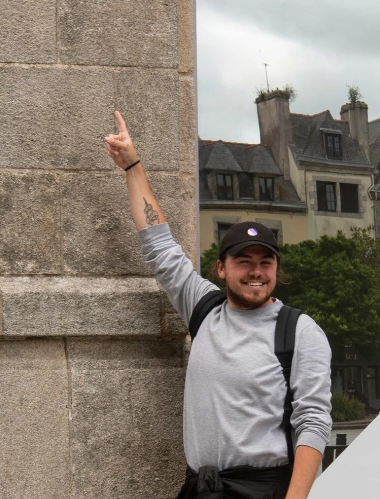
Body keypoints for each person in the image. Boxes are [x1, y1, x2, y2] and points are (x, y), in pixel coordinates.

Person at [105, 111, 332, 499]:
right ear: (221, 268)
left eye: (266, 262)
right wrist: (132, 166)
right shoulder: (204, 308)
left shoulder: (299, 331)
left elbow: (312, 422)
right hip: (201, 489)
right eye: (244, 261)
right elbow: (159, 246)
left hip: (264, 490)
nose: (256, 272)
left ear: (276, 268)